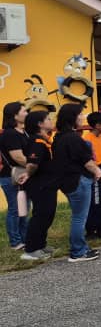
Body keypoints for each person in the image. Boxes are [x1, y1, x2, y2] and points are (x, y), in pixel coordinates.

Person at [52, 104, 101, 262]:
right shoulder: (73, 138)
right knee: (79, 217)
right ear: (72, 117)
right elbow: (86, 161)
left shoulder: (59, 137)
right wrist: (98, 171)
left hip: (67, 181)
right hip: (78, 180)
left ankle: (81, 247)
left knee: (78, 215)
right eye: (80, 115)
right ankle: (78, 251)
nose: (82, 117)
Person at [18, 111, 59, 262]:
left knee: (48, 215)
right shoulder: (37, 142)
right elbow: (32, 164)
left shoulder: (45, 140)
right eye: (48, 119)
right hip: (40, 185)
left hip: (49, 184)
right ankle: (31, 249)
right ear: (40, 124)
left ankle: (41, 245)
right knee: (40, 215)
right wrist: (28, 174)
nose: (51, 120)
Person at [0, 101, 31, 252]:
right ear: (14, 115)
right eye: (24, 111)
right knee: (15, 209)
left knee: (25, 208)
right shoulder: (10, 133)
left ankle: (24, 238)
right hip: (11, 176)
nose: (26, 113)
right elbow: (17, 157)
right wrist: (36, 164)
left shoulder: (24, 132)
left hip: (24, 174)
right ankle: (15, 242)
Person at [82, 111, 101, 240]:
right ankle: (91, 230)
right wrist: (100, 173)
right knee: (95, 201)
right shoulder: (87, 139)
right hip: (95, 171)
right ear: (97, 125)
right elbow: (89, 160)